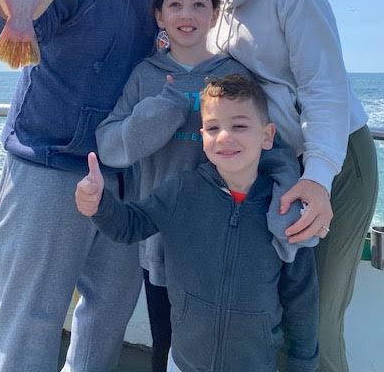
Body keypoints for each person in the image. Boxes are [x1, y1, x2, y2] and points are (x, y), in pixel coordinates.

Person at [0, 0, 182, 372]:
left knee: (107, 319)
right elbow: (18, 25)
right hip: (48, 167)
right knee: (31, 322)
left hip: (124, 181)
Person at [192, 0, 378, 372]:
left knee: (315, 321)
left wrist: (318, 176)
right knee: (282, 315)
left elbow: (324, 87)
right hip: (284, 167)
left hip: (336, 162)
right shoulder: (224, 7)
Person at [95, 0, 317, 372]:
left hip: (229, 241)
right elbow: (110, 145)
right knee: (167, 340)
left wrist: (287, 208)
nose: (187, 15)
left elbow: (275, 151)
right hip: (162, 240)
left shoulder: (235, 73)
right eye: (175, 5)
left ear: (215, 14)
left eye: (199, 5)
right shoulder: (145, 75)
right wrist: (161, 110)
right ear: (159, 15)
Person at [77, 75, 319, 372]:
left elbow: (301, 296)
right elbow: (130, 226)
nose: (225, 136)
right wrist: (99, 203)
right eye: (214, 128)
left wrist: (303, 362)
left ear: (267, 136)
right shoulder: (181, 190)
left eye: (240, 126)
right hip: (183, 362)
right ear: (202, 136)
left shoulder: (284, 208)